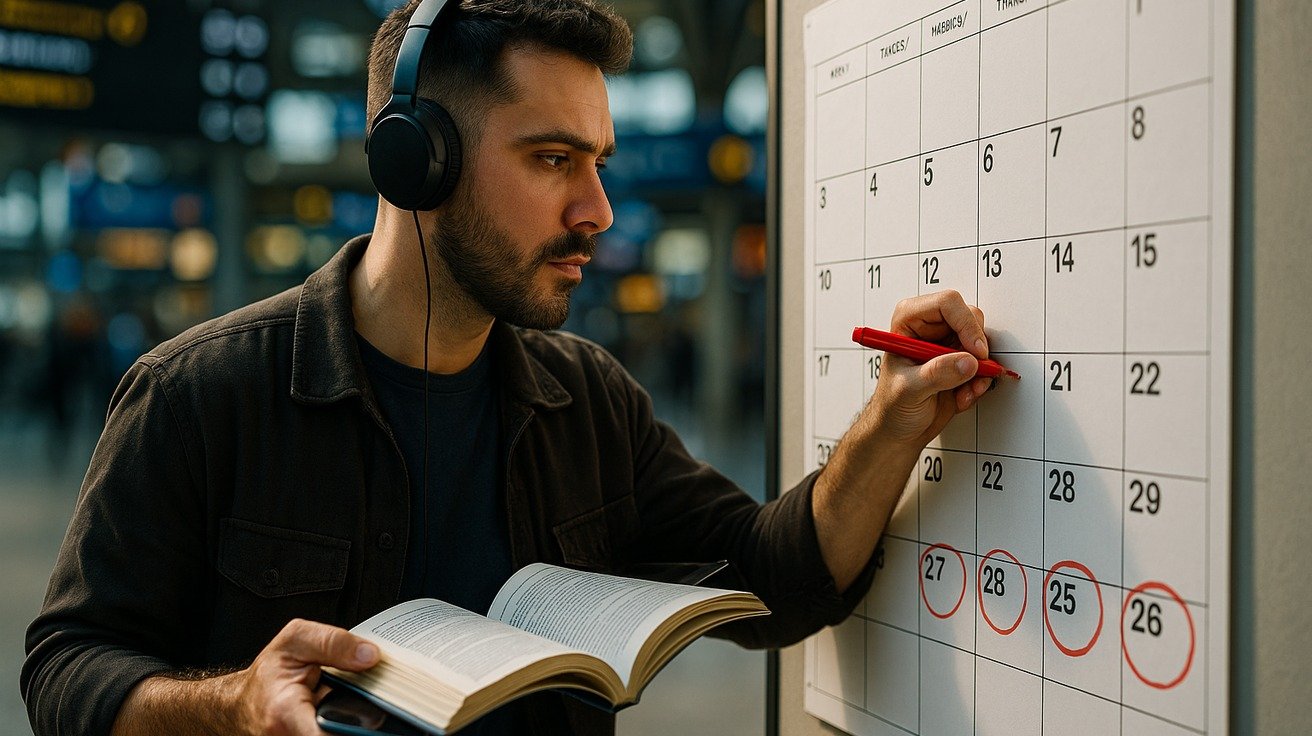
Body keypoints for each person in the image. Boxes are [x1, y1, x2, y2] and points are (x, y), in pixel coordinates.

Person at [21, 1, 997, 734]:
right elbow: (66, 669)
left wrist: (894, 417)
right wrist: (233, 702)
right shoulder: (201, 394)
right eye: (551, 159)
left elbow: (772, 576)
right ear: (416, 160)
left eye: (599, 162)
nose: (597, 211)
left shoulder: (590, 401)